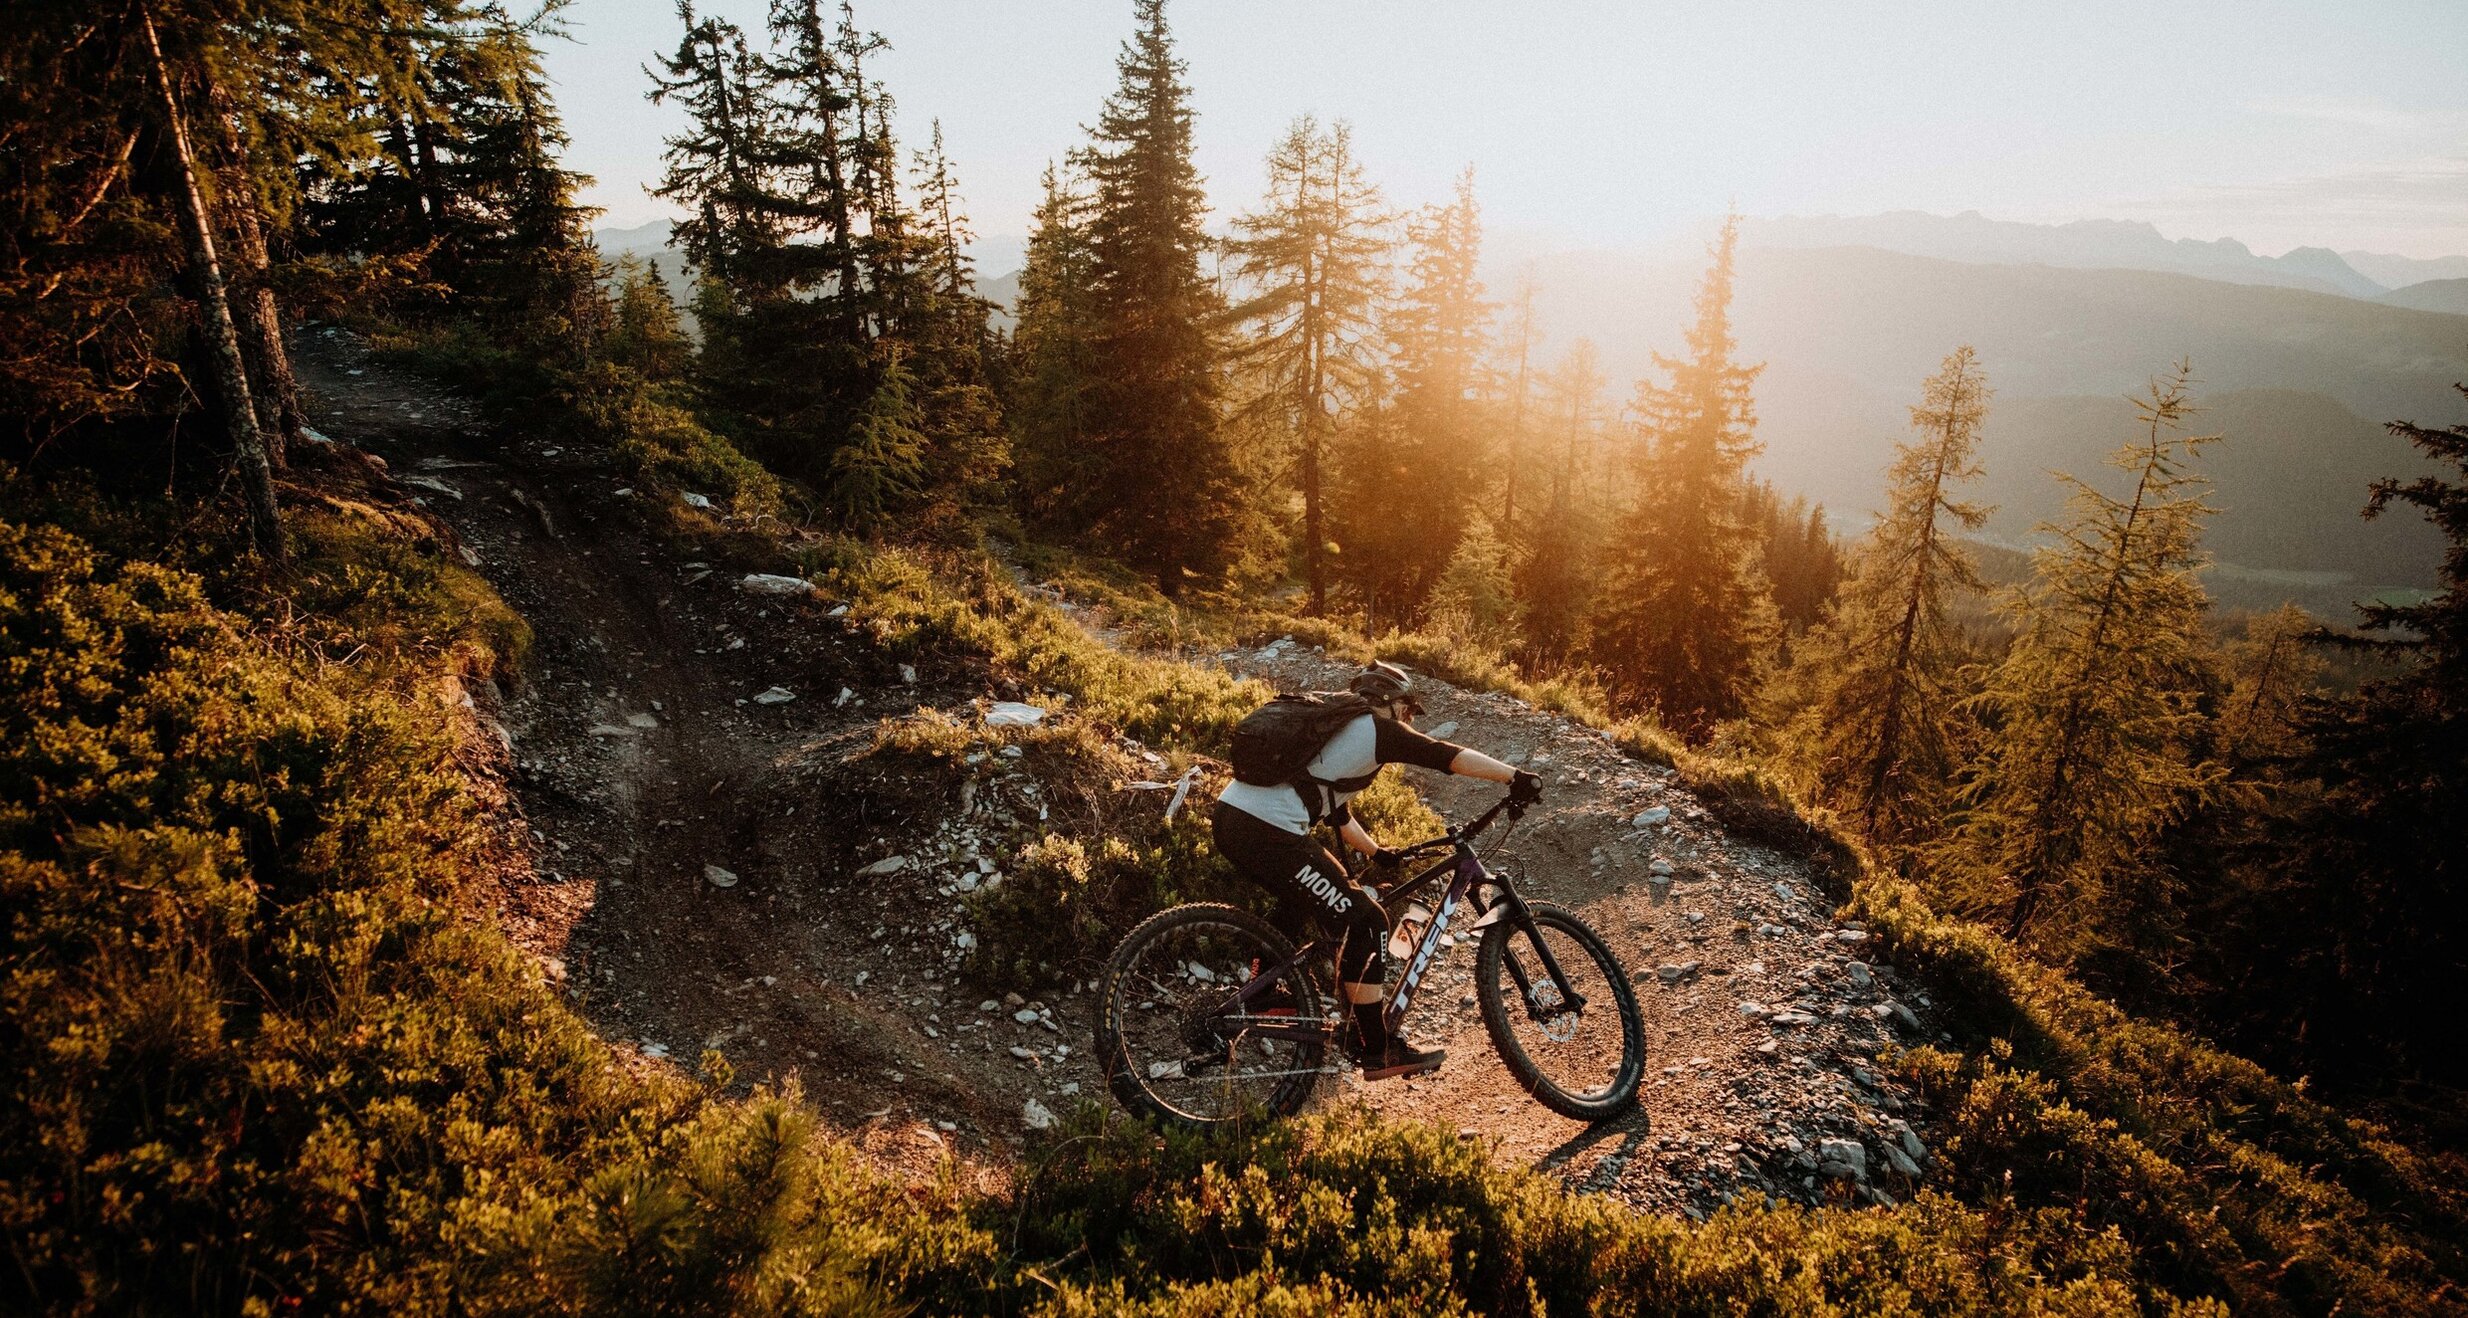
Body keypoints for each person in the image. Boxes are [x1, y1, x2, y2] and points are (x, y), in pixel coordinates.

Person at [1210, 661, 1541, 1080]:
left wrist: (1376, 851)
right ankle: (1377, 1047)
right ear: (1388, 701)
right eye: (1407, 709)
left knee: (1298, 894)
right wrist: (1515, 777)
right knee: (1368, 919)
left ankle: (1261, 990)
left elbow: (1338, 813)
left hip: (1232, 818)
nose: (1407, 719)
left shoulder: (1337, 732)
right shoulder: (1376, 729)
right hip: (1267, 829)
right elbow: (1445, 756)